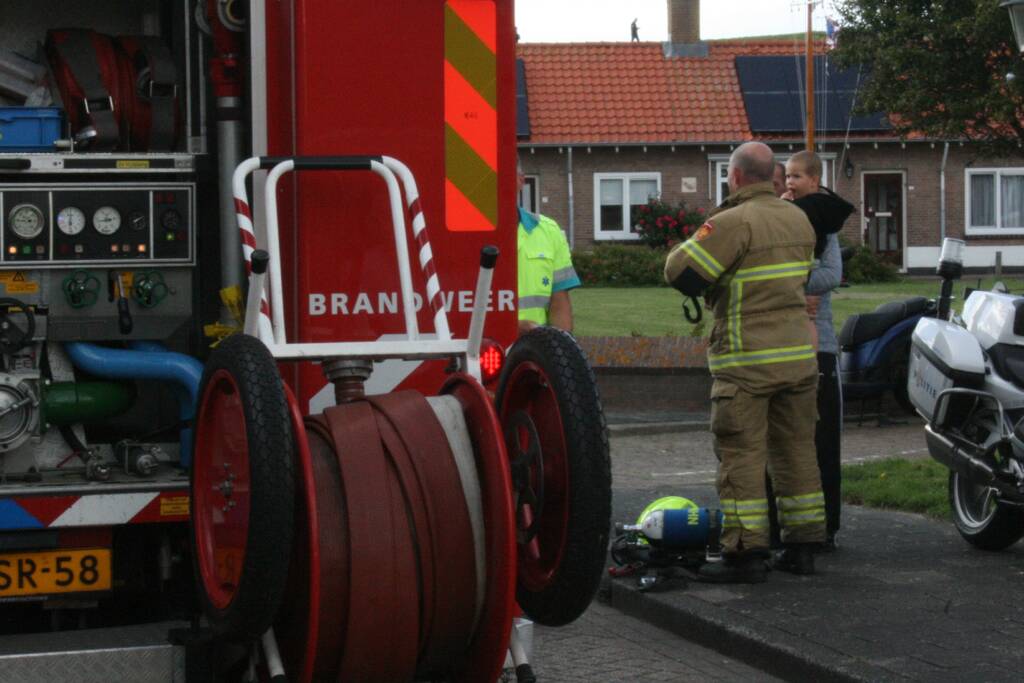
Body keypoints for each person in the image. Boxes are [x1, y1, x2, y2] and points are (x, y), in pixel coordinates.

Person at [664, 141, 826, 583]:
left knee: (741, 455)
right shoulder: (798, 217)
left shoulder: (733, 222)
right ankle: (804, 546)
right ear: (772, 177)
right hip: (796, 358)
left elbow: (679, 272)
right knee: (796, 452)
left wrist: (700, 232)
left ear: (735, 177)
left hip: (747, 360)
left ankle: (745, 554)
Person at [779, 150, 854, 550]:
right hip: (783, 340)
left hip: (819, 343)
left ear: (814, 180)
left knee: (822, 438)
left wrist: (800, 282)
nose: (789, 183)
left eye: (796, 177)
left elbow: (831, 274)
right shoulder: (778, 217)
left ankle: (827, 524)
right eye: (786, 176)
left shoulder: (825, 224)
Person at [517, 161, 580, 335]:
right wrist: (510, 328)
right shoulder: (461, 234)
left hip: (534, 352)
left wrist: (561, 349)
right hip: (477, 349)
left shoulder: (548, 230)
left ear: (521, 181)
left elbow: (559, 304)